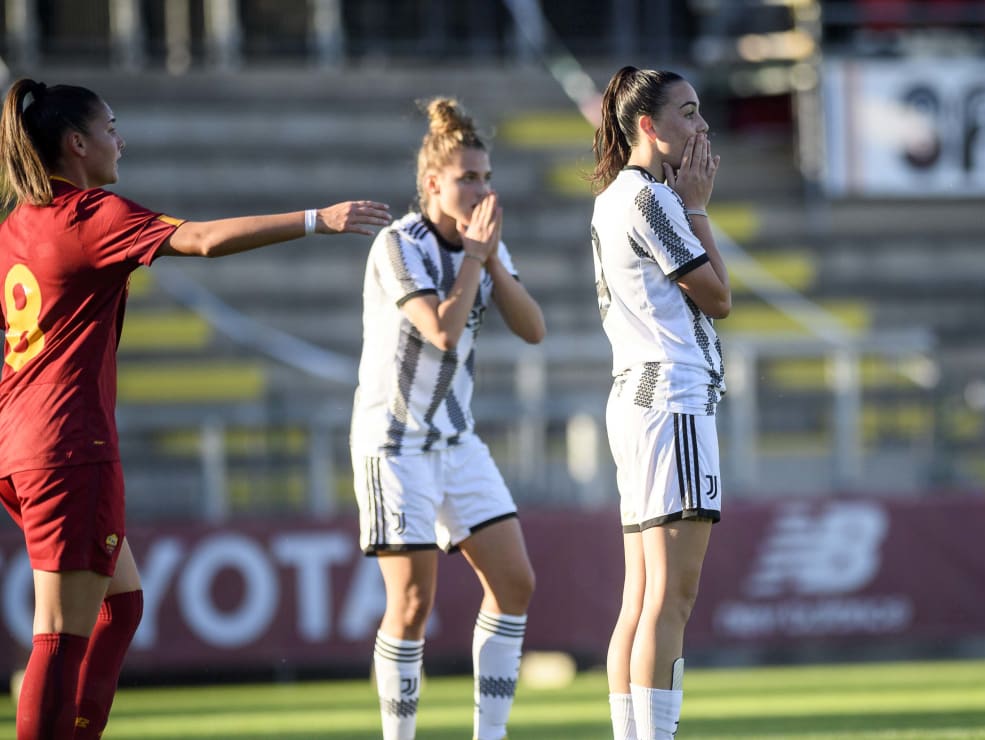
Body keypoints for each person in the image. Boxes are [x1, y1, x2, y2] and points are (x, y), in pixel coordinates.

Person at [0, 77, 391, 740]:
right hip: (69, 450)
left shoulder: (16, 226)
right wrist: (315, 220)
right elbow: (203, 240)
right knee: (59, 637)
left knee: (120, 609)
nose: (119, 140)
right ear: (76, 144)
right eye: (109, 128)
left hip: (19, 447)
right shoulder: (88, 217)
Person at [349, 97, 544, 740]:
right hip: (395, 442)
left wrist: (487, 259)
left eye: (486, 178)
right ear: (433, 183)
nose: (481, 190)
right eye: (468, 178)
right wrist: (473, 260)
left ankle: (490, 734)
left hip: (455, 439)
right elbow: (440, 331)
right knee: (410, 604)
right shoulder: (396, 244)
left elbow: (533, 329)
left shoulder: (484, 246)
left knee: (515, 583)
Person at [589, 66, 730, 740]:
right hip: (671, 398)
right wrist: (699, 206)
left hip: (637, 399)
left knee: (641, 598)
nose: (701, 127)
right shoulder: (654, 200)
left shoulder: (616, 197)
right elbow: (719, 298)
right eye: (689, 112)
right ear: (649, 125)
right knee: (672, 598)